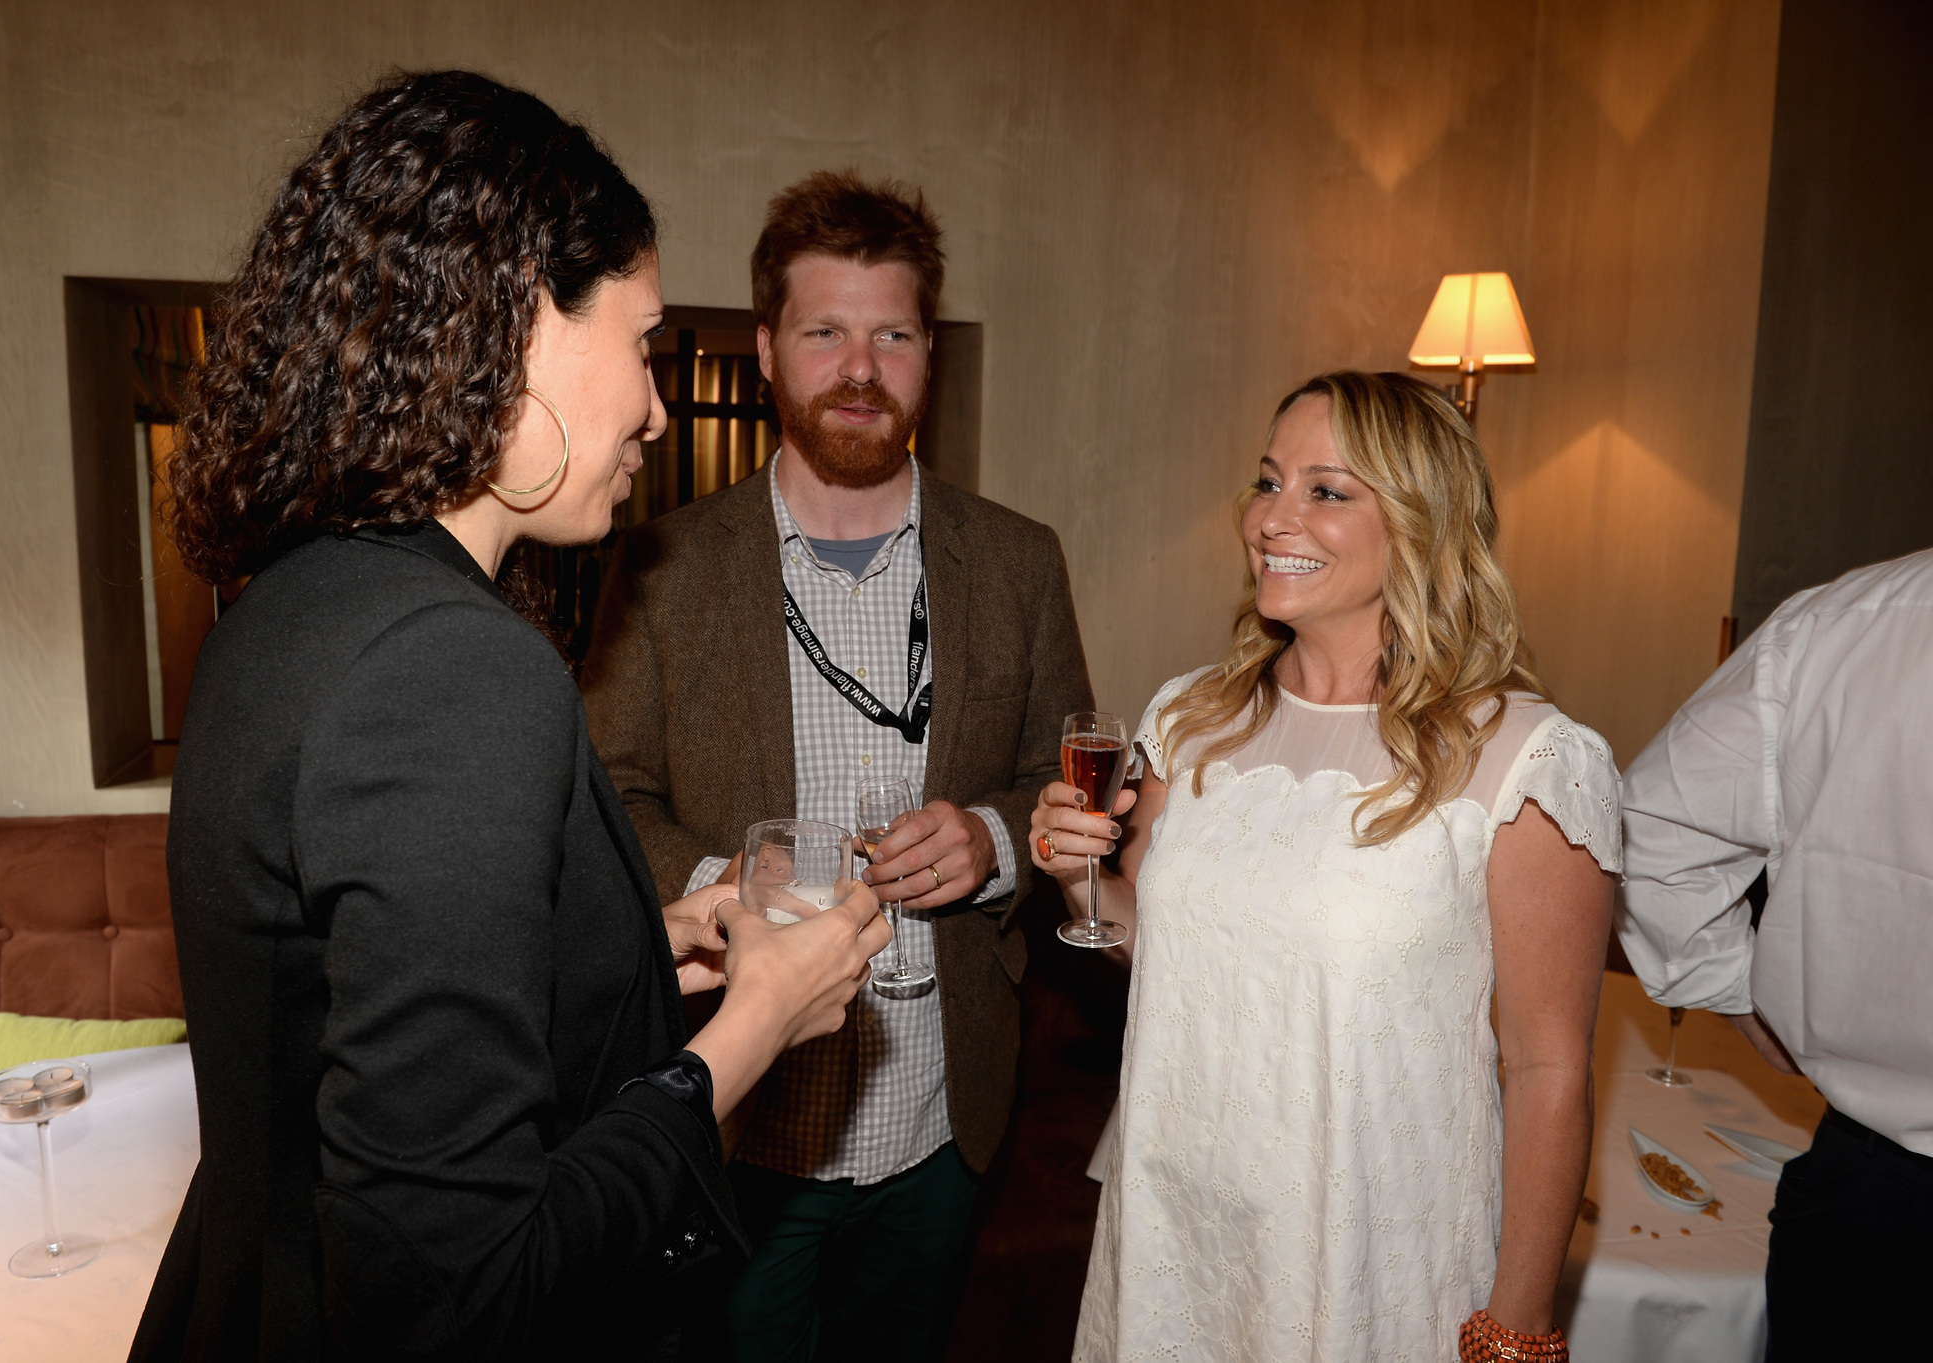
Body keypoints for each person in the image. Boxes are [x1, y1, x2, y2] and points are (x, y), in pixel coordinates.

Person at [128, 72, 890, 1362]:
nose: (657, 407)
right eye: (642, 344)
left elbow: (356, 999)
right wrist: (755, 1023)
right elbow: (460, 1294)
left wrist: (640, 955)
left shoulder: (298, 599)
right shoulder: (451, 666)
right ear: (520, 322)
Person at [580, 169, 1092, 1362]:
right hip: (739, 1115)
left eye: (892, 334)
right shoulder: (660, 564)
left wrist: (992, 839)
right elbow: (607, 798)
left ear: (927, 354)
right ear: (765, 349)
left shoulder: (1018, 563)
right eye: (824, 331)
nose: (859, 367)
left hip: (939, 1117)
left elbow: (1059, 777)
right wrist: (740, 892)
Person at [1032, 371, 1620, 1362]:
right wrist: (1073, 873)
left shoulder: (1529, 760)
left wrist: (1513, 1331)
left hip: (1371, 1252)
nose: (1273, 519)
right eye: (1268, 483)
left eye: (1326, 491)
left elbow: (1547, 1068)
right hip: (1182, 1226)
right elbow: (1155, 943)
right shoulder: (1191, 717)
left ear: (1421, 524)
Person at [1617, 548, 1933, 1362]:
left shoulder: (1845, 622)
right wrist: (1738, 991)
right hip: (1876, 1195)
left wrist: (1736, 992)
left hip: (1874, 1204)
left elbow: (1652, 831)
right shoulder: (1845, 620)